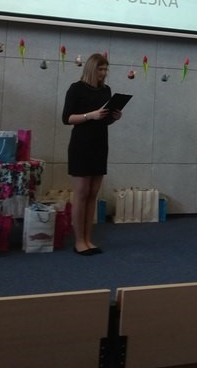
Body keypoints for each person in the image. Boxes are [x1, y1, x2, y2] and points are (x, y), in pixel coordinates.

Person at [62, 53, 121, 256]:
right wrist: (90, 115)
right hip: (81, 145)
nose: (103, 73)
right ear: (91, 69)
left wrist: (114, 117)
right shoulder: (76, 88)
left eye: (105, 70)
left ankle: (88, 238)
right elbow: (67, 118)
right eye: (100, 69)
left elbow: (104, 120)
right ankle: (79, 241)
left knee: (93, 194)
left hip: (100, 144)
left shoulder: (106, 90)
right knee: (81, 193)